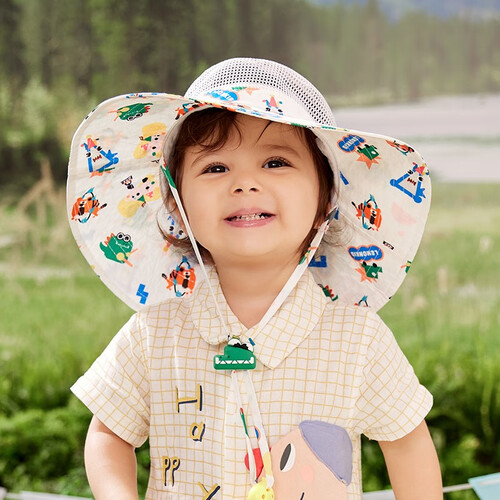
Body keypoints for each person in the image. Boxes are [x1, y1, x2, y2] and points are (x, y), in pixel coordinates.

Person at [67, 58, 442, 499]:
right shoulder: (154, 333)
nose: (245, 183)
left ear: (326, 201)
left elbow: (408, 444)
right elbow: (109, 434)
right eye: (215, 168)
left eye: (276, 162)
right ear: (177, 206)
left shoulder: (358, 339)